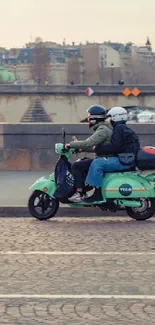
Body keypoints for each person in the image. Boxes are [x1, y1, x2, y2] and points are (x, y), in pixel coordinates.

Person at [84, 106, 140, 203]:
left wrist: (99, 150)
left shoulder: (119, 128)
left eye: (109, 117)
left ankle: (97, 193)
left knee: (98, 163)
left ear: (115, 117)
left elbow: (115, 146)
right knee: (100, 161)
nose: (108, 120)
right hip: (127, 158)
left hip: (124, 160)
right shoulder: (123, 128)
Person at [65, 105, 113, 202]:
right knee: (83, 162)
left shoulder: (102, 130)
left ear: (95, 118)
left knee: (76, 166)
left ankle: (80, 193)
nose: (88, 119)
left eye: (90, 117)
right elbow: (97, 147)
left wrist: (70, 145)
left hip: (104, 158)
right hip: (104, 157)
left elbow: (88, 143)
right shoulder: (103, 128)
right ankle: (84, 188)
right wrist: (82, 149)